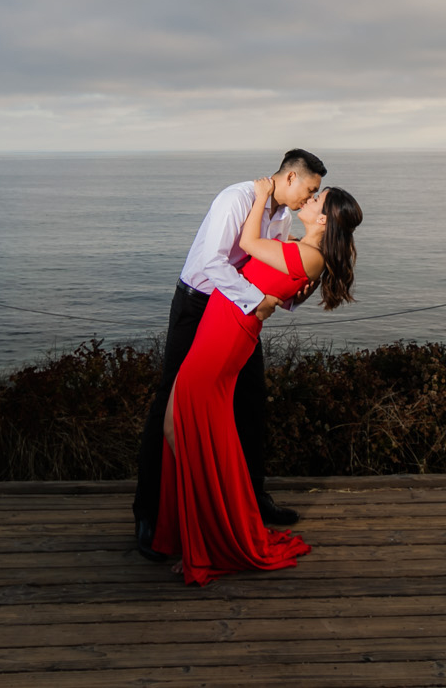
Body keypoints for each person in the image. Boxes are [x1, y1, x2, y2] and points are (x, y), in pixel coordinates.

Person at [151, 173, 362, 584]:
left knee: (185, 432)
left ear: (324, 220)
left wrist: (262, 194)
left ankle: (208, 542)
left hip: (225, 338)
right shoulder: (301, 250)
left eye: (318, 199)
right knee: (178, 429)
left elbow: (247, 246)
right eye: (313, 191)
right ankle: (197, 534)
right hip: (219, 330)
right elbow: (270, 281)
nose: (311, 200)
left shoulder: (307, 255)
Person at [134, 149, 325, 559]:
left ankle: (251, 501)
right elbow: (212, 261)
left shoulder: (283, 217)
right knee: (169, 401)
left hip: (236, 312)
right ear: (290, 177)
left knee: (250, 402)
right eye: (309, 189)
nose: (309, 198)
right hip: (199, 304)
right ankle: (148, 513)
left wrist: (291, 297)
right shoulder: (235, 198)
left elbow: (265, 268)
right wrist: (256, 300)